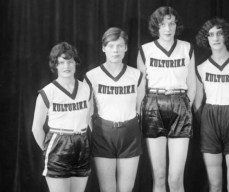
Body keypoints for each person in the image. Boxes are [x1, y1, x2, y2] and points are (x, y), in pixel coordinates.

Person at [137, 6, 196, 192]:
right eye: (163, 24)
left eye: (171, 23)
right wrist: (140, 111)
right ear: (156, 27)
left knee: (176, 177)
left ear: (176, 25)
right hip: (153, 103)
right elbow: (140, 87)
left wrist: (186, 107)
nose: (168, 28)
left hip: (180, 101)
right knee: (159, 174)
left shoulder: (187, 48)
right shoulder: (145, 50)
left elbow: (192, 83)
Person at [84, 27, 145, 192]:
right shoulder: (92, 76)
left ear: (126, 47)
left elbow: (140, 108)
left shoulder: (137, 75)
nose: (115, 50)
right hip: (103, 133)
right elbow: (88, 113)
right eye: (111, 46)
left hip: (130, 133)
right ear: (103, 48)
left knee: (126, 189)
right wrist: (98, 131)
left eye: (119, 45)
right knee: (108, 189)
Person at [194, 17, 229, 192]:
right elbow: (197, 102)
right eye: (211, 35)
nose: (216, 38)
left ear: (226, 35)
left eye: (219, 33)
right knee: (215, 185)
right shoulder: (201, 68)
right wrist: (205, 123)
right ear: (206, 39)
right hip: (210, 120)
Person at [31, 42, 91, 192]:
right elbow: (36, 128)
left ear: (75, 63)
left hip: (81, 143)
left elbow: (90, 118)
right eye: (61, 62)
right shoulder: (48, 92)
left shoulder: (85, 88)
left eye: (70, 61)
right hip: (59, 143)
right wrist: (48, 151)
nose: (66, 66)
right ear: (55, 66)